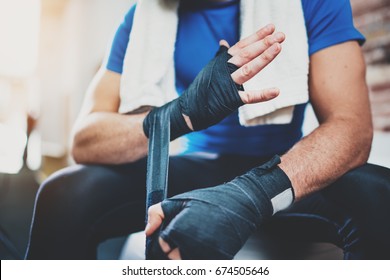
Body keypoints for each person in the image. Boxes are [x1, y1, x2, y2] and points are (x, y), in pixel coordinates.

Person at [25, 0, 390, 260]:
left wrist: (248, 195)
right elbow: (86, 140)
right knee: (65, 193)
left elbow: (352, 127)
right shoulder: (142, 19)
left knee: (377, 192)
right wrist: (179, 115)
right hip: (197, 167)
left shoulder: (312, 3)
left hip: (278, 168)